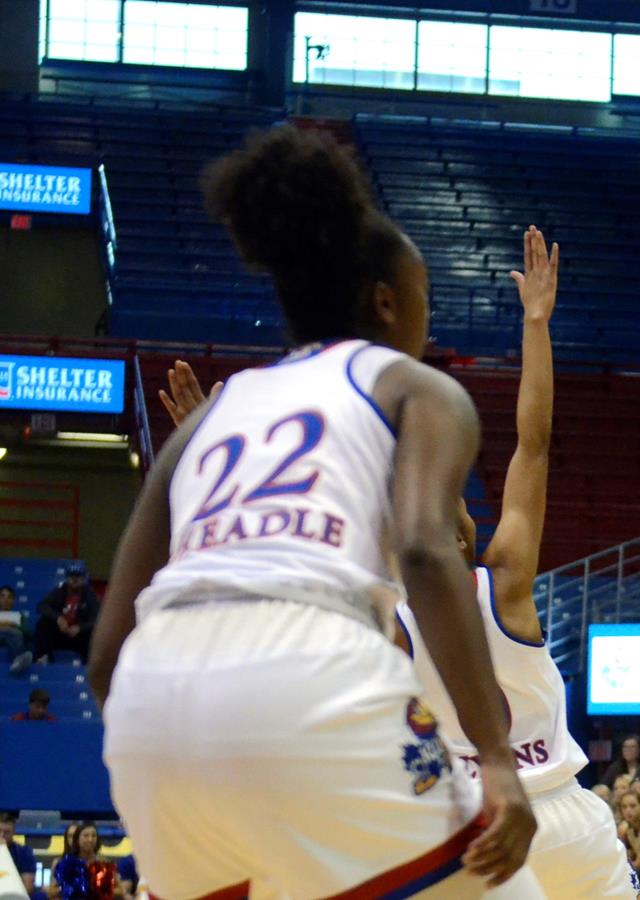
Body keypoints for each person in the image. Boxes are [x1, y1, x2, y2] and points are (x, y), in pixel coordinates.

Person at [85, 126, 538, 897]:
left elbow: (106, 652)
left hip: (146, 711)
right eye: (426, 301)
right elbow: (429, 551)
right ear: (389, 303)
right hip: (307, 667)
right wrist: (494, 755)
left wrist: (189, 729)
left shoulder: (206, 419)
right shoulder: (413, 386)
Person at [25, 562, 98, 667]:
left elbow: (96, 619)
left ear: (83, 578)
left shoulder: (90, 596)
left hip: (78, 636)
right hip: (60, 634)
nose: (74, 579)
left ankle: (89, 665)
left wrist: (80, 628)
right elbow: (41, 606)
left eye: (78, 576)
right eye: (72, 576)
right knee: (44, 622)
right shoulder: (59, 591)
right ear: (67, 578)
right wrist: (58, 618)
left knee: (93, 632)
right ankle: (44, 657)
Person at [0, 812, 37, 898]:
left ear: (14, 833)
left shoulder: (24, 852)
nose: (2, 835)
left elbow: (28, 888)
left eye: (7, 832)